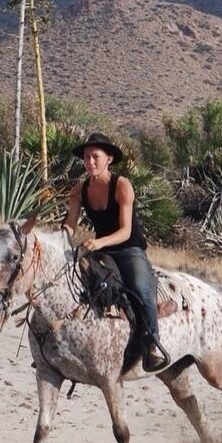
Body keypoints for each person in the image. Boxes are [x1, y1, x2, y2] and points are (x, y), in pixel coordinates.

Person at [63, 132, 169, 372]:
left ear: (109, 158)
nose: (90, 162)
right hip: (102, 251)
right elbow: (70, 223)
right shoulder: (78, 190)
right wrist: (61, 235)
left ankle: (152, 344)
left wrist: (99, 243)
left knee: (141, 289)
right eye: (86, 157)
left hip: (128, 249)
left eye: (95, 157)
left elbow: (125, 231)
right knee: (77, 282)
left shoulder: (122, 186)